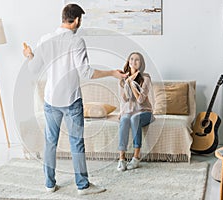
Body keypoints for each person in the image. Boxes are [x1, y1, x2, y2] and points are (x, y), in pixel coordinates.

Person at [23, 4, 127, 195]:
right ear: (77, 20)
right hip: (71, 101)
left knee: (50, 143)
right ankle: (82, 186)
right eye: (81, 20)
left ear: (63, 18)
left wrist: (30, 55)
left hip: (51, 99)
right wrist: (112, 72)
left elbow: (33, 68)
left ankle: (49, 184)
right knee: (76, 143)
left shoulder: (46, 39)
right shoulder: (77, 41)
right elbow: (85, 72)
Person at [117, 52, 154, 171]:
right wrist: (127, 81)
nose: (134, 61)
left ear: (141, 63)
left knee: (134, 118)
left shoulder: (146, 78)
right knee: (124, 119)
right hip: (129, 112)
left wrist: (132, 83)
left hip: (145, 112)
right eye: (131, 59)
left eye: (137, 60)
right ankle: (122, 158)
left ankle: (136, 157)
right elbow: (124, 99)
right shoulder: (123, 79)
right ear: (128, 61)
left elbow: (140, 99)